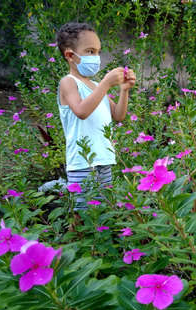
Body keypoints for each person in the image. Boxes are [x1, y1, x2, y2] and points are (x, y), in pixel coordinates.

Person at [56, 22, 136, 210]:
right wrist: (106, 84)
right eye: (90, 51)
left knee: (104, 211)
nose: (97, 57)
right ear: (70, 55)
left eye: (98, 52)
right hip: (82, 163)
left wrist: (124, 90)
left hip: (104, 160)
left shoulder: (95, 85)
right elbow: (81, 111)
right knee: (83, 214)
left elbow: (118, 115)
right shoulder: (68, 82)